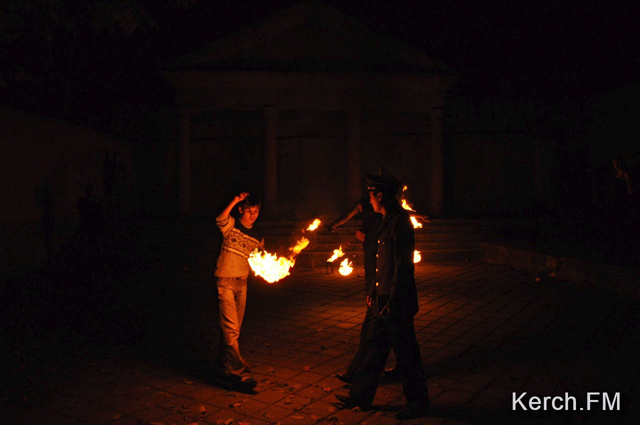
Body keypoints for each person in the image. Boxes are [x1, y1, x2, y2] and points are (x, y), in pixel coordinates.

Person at [335, 174, 430, 420]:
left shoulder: (400, 222)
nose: (368, 199)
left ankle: (418, 403)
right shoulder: (385, 219)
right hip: (382, 297)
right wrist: (374, 292)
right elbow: (381, 263)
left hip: (397, 302)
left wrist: (392, 298)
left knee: (407, 354)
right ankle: (359, 397)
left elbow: (401, 265)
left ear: (379, 195)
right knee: (372, 348)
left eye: (370, 194)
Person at [213, 192, 264, 393]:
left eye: (256, 211)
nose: (253, 215)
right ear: (241, 210)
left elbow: (259, 260)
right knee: (231, 330)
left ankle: (222, 369)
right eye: (249, 211)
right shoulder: (232, 225)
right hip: (225, 281)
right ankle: (240, 373)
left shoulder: (258, 237)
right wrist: (234, 200)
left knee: (232, 331)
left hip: (242, 284)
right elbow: (219, 218)